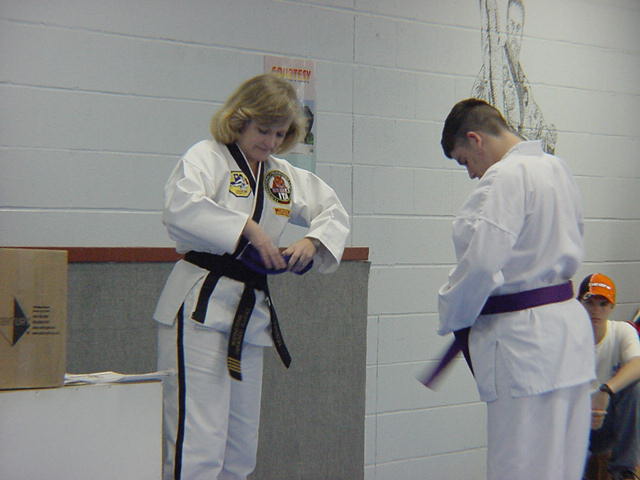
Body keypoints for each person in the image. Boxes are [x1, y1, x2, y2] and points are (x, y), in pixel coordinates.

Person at [153, 73, 350, 480]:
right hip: (200, 309)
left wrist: (312, 242)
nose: (271, 142)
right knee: (198, 444)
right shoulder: (207, 157)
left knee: (240, 449)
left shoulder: (281, 176)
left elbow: (331, 209)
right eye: (263, 130)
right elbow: (180, 207)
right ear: (239, 119)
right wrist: (247, 228)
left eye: (280, 133)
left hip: (249, 314)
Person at [437, 98, 595, 480]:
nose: (471, 173)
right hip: (569, 336)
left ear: (475, 139)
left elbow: (481, 264)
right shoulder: (556, 168)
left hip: (523, 344)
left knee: (518, 466)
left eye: (464, 161)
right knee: (563, 464)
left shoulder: (504, 177)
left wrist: (451, 313)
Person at [578, 273, 640, 480]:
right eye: (590, 303)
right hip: (577, 423)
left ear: (612, 307)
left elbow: (638, 364)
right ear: (579, 305)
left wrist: (605, 391)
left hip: (609, 423)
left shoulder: (622, 331)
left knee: (634, 387)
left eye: (603, 304)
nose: (596, 310)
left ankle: (624, 472)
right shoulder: (569, 337)